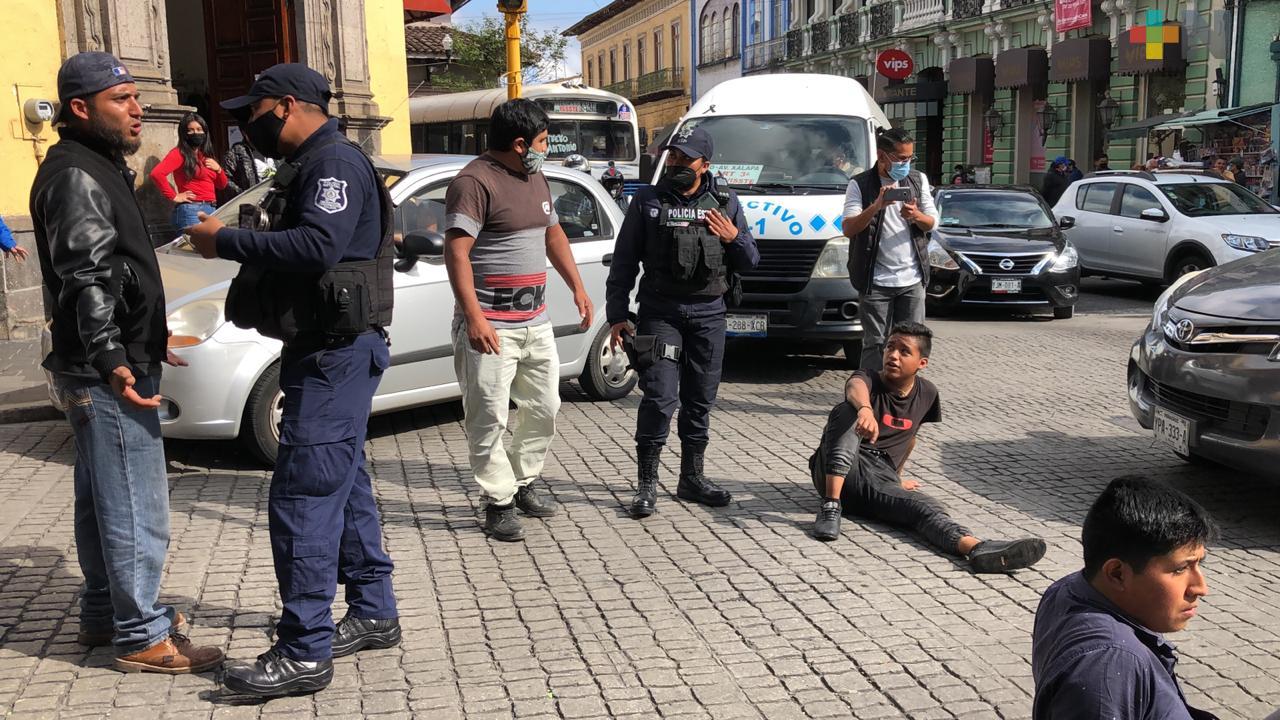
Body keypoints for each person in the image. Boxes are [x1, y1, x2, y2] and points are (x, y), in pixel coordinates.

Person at [185, 63, 400, 697]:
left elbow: (316, 247)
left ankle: (304, 649)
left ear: (285, 106)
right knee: (345, 485)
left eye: (254, 112)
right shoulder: (314, 163)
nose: (247, 124)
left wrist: (224, 241)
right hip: (328, 352)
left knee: (304, 498)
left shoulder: (331, 163)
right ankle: (373, 612)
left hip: (335, 356)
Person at [29, 51, 224, 674]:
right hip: (103, 371)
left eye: (137, 97)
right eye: (122, 100)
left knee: (101, 497)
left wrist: (145, 333)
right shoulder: (76, 174)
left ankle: (101, 613)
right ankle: (141, 634)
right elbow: (84, 275)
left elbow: (117, 270)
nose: (138, 110)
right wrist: (114, 354)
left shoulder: (96, 165)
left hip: (104, 359)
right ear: (80, 108)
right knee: (137, 502)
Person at [443, 99, 594, 542]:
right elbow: (456, 252)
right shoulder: (473, 182)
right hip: (491, 325)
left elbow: (553, 233)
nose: (547, 149)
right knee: (487, 415)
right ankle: (498, 501)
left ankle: (524, 481)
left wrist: (577, 287)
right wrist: (474, 318)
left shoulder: (536, 176)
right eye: (544, 141)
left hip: (535, 321)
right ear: (519, 143)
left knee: (545, 408)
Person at [605, 125, 759, 518]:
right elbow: (624, 261)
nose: (674, 162)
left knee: (700, 399)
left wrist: (733, 237)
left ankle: (691, 478)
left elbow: (751, 260)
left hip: (709, 314)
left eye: (684, 158)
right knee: (659, 396)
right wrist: (617, 316)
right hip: (661, 314)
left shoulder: (725, 201)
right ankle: (646, 484)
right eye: (671, 156)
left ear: (705, 164)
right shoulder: (648, 202)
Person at [808, 322, 1047, 571]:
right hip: (836, 470)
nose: (893, 355)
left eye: (904, 351)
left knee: (922, 506)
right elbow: (853, 388)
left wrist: (895, 478)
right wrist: (864, 409)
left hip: (876, 480)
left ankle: (976, 548)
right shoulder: (866, 377)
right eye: (890, 347)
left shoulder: (928, 393)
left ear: (922, 363)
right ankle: (830, 506)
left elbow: (910, 437)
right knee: (846, 411)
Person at [1032, 476, 1217, 719]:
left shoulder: (1068, 589)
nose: (1200, 588)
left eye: (1199, 564)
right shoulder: (1108, 664)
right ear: (1117, 574)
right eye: (1180, 569)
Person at [841, 127, 938, 371]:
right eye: (901, 158)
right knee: (875, 343)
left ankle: (905, 394)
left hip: (912, 279)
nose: (906, 164)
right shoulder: (860, 184)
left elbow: (932, 223)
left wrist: (915, 215)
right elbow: (849, 228)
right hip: (875, 281)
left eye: (910, 158)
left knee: (912, 342)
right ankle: (871, 395)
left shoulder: (918, 180)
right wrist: (877, 206)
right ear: (882, 156)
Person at [148, 112, 227, 230]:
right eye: (191, 130)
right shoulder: (179, 153)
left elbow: (222, 185)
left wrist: (219, 169)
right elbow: (157, 174)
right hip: (192, 210)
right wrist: (174, 196)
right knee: (192, 248)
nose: (196, 133)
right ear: (184, 134)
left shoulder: (205, 156)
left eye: (199, 129)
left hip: (211, 209)